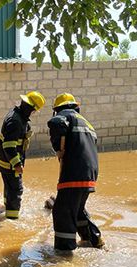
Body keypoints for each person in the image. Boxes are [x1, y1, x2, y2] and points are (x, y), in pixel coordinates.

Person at [47, 93, 103, 250]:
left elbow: (56, 122)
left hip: (74, 172)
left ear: (58, 109)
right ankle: (93, 240)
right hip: (90, 173)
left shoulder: (65, 115)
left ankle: (64, 252)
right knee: (77, 209)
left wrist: (58, 149)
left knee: (62, 211)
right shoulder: (87, 123)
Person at [0, 91, 45, 219]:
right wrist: (17, 164)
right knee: (16, 189)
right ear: (31, 108)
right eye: (34, 110)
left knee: (9, 187)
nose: (34, 113)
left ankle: (7, 208)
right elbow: (9, 146)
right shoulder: (16, 121)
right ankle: (12, 218)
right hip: (10, 164)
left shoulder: (17, 116)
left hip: (5, 162)